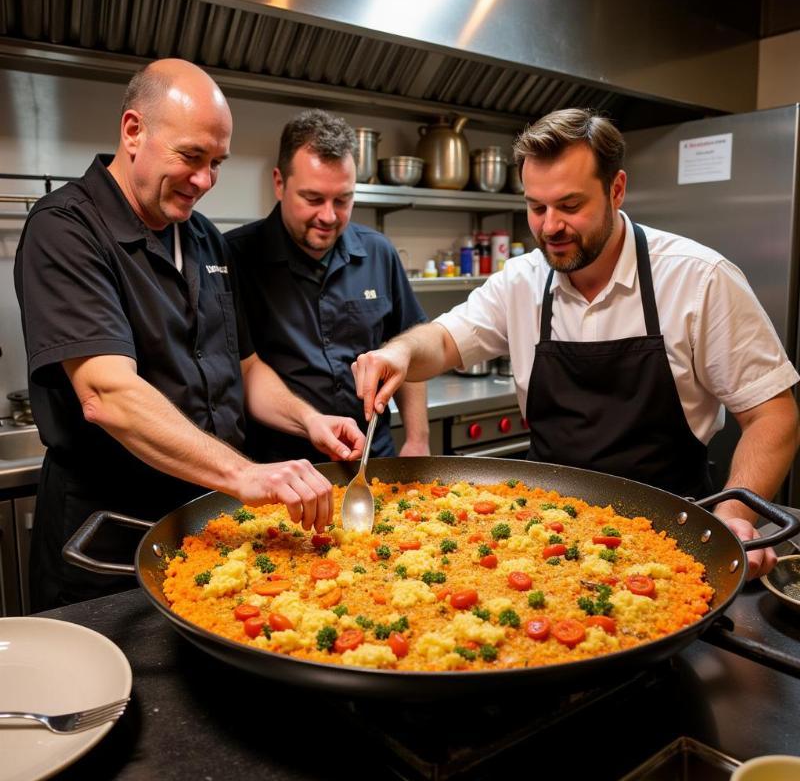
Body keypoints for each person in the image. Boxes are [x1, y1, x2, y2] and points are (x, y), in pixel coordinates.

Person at [352, 107, 800, 579]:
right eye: (536, 207)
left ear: (617, 189)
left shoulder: (699, 279)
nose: (549, 227)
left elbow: (773, 414)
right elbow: (442, 341)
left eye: (569, 206)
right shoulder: (522, 281)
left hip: (674, 536)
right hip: (543, 540)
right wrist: (400, 351)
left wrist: (733, 518)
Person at [14, 60, 364, 612]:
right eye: (190, 157)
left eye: (216, 163)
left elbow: (243, 366)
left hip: (207, 524)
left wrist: (309, 419)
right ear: (133, 131)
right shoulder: (66, 230)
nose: (204, 180)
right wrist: (246, 474)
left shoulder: (203, 238)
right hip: (111, 537)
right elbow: (106, 394)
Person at [225, 109, 429, 463]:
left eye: (343, 200)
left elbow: (410, 348)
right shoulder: (233, 257)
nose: (329, 216)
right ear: (279, 183)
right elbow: (244, 371)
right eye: (313, 199)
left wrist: (418, 439)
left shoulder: (378, 252)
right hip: (279, 466)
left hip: (371, 457)